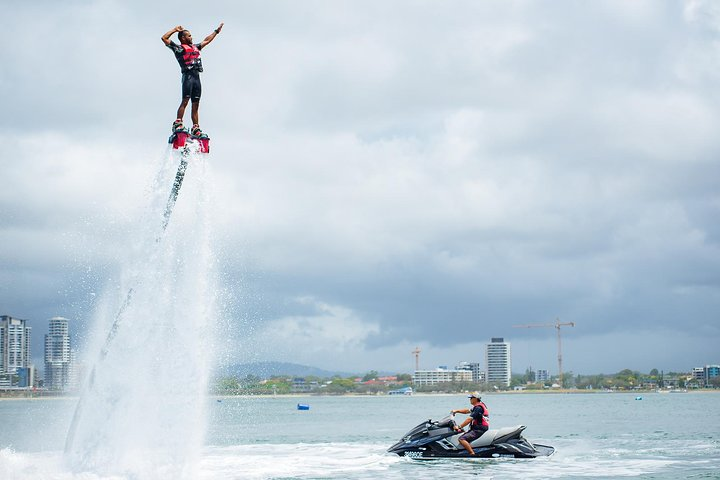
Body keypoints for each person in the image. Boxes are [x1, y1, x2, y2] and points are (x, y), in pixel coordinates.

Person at [161, 22, 224, 138]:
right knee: (185, 100)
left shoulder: (196, 47)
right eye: (189, 36)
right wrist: (175, 30)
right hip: (188, 77)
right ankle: (178, 123)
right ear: (183, 38)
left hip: (196, 78)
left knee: (196, 104)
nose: (191, 37)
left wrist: (216, 32)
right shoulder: (178, 48)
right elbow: (164, 38)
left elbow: (207, 40)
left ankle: (196, 128)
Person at [451, 391, 489, 456]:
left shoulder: (478, 408)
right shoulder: (478, 406)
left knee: (461, 439)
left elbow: (469, 419)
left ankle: (472, 454)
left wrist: (459, 426)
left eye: (471, 398)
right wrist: (456, 411)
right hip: (479, 428)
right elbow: (467, 411)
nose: (470, 399)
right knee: (463, 433)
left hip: (479, 428)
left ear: (475, 399)